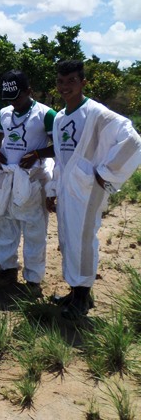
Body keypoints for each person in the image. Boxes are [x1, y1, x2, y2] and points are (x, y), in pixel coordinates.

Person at [46, 60, 141, 318]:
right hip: (67, 189)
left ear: (83, 83)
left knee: (84, 240)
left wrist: (103, 174)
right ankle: (76, 291)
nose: (65, 87)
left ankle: (83, 295)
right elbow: (59, 157)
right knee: (68, 239)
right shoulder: (61, 117)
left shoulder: (97, 113)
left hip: (88, 189)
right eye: (61, 82)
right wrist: (52, 188)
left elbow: (132, 141)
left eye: (72, 81)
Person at [0, 70, 56, 290]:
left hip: (32, 181)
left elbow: (59, 148)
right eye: (9, 99)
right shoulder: (4, 114)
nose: (14, 104)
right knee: (5, 225)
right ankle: (7, 269)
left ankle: (33, 280)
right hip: (9, 179)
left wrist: (38, 154)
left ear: (29, 91)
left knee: (34, 231)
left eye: (17, 97)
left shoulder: (46, 114)